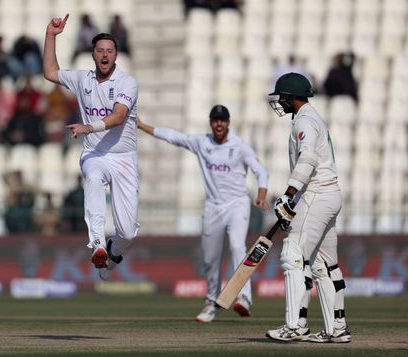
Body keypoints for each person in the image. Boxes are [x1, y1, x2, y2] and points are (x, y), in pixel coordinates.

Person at [137, 105, 270, 322]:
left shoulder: (239, 146)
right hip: (213, 207)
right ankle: (211, 303)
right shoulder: (202, 142)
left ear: (229, 122)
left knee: (238, 247)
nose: (219, 124)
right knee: (210, 258)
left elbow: (261, 171)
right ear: (211, 122)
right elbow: (174, 137)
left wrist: (262, 195)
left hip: (237, 204)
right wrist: (142, 126)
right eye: (215, 120)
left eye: (223, 120)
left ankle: (244, 298)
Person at [43, 15, 140, 280]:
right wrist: (51, 35)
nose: (105, 55)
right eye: (100, 51)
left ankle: (111, 252)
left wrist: (90, 126)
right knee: (93, 177)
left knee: (128, 231)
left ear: (116, 55)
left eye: (110, 51)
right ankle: (97, 244)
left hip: (124, 158)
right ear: (93, 54)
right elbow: (50, 72)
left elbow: (119, 116)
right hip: (95, 154)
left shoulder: (127, 82)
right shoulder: (82, 79)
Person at [266, 72, 351, 343]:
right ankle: (336, 329)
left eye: (283, 97)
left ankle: (295, 326)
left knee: (293, 254)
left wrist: (289, 194)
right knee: (324, 265)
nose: (280, 101)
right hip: (331, 195)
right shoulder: (313, 117)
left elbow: (309, 158)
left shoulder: (304, 120)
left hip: (316, 194)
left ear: (292, 96)